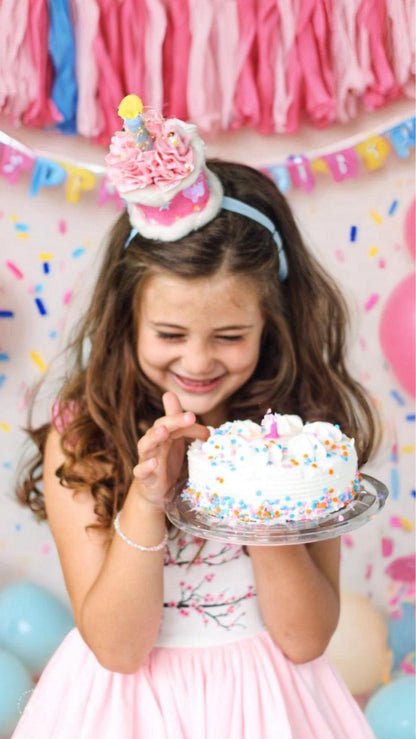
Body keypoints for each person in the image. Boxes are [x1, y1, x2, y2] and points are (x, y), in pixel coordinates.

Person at [13, 97, 379, 738]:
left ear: (273, 324)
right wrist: (149, 497)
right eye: (171, 333)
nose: (199, 361)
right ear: (128, 320)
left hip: (268, 702)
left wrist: (257, 492)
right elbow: (120, 650)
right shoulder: (84, 432)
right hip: (126, 710)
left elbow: (304, 639)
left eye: (231, 335)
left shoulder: (305, 430)